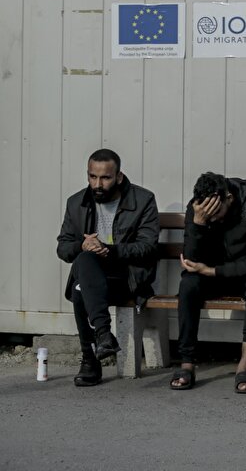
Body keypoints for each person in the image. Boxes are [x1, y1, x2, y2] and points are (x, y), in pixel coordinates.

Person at [55, 149, 160, 387]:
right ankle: (103, 336)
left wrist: (110, 250)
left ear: (119, 176)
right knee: (83, 266)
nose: (98, 184)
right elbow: (63, 248)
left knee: (81, 285)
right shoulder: (76, 203)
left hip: (129, 279)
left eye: (105, 178)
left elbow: (148, 248)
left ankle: (91, 360)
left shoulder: (143, 200)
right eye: (93, 177)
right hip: (94, 278)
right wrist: (83, 244)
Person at [171, 172, 246, 393]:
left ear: (229, 198)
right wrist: (198, 223)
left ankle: (244, 367)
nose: (215, 219)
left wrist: (211, 270)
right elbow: (190, 260)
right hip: (213, 273)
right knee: (188, 285)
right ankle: (187, 364)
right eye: (208, 215)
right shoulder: (200, 207)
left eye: (217, 213)